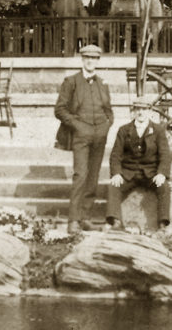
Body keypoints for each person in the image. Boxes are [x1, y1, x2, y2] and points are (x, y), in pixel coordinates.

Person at [55, 44, 113, 235]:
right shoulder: (71, 81)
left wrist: (106, 126)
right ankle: (73, 220)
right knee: (80, 175)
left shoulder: (102, 83)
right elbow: (60, 109)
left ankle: (85, 218)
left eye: (94, 58)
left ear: (98, 61)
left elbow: (109, 111)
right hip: (81, 135)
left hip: (99, 136)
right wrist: (78, 126)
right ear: (82, 60)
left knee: (93, 177)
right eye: (87, 58)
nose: (90, 61)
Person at [105, 96, 172, 231]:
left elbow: (165, 154)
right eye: (138, 109)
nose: (141, 112)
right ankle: (116, 222)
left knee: (164, 187)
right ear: (133, 112)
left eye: (144, 109)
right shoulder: (124, 130)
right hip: (129, 173)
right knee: (113, 186)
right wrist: (116, 173)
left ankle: (162, 224)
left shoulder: (158, 130)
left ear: (150, 112)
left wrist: (161, 173)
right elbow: (116, 155)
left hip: (150, 174)